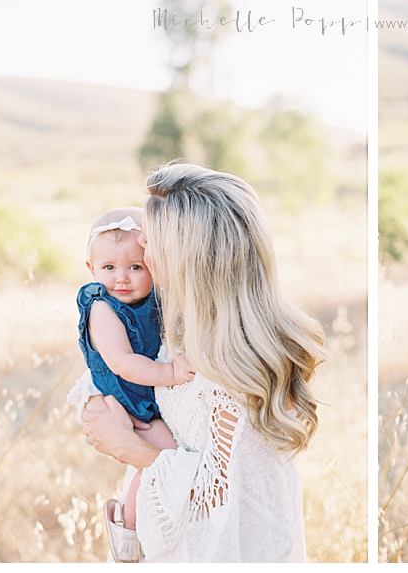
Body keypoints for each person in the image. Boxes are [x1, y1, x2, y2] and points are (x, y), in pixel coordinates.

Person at [68, 163, 326, 562]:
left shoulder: (231, 369)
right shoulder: (182, 332)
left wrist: (128, 446)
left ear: (187, 259)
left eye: (150, 245)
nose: (143, 255)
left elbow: (220, 504)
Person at [75, 207, 194, 561]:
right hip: (127, 397)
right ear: (92, 270)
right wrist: (171, 373)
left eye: (135, 267)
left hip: (144, 393)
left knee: (161, 458)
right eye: (109, 268)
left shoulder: (153, 297)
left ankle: (137, 519)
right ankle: (128, 525)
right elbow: (123, 363)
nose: (121, 278)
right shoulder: (102, 308)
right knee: (164, 457)